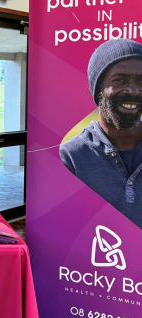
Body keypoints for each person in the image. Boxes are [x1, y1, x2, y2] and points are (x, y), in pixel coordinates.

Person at [60, 38, 142, 228]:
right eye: (120, 79)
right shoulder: (71, 157)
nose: (133, 90)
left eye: (141, 80)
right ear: (98, 91)